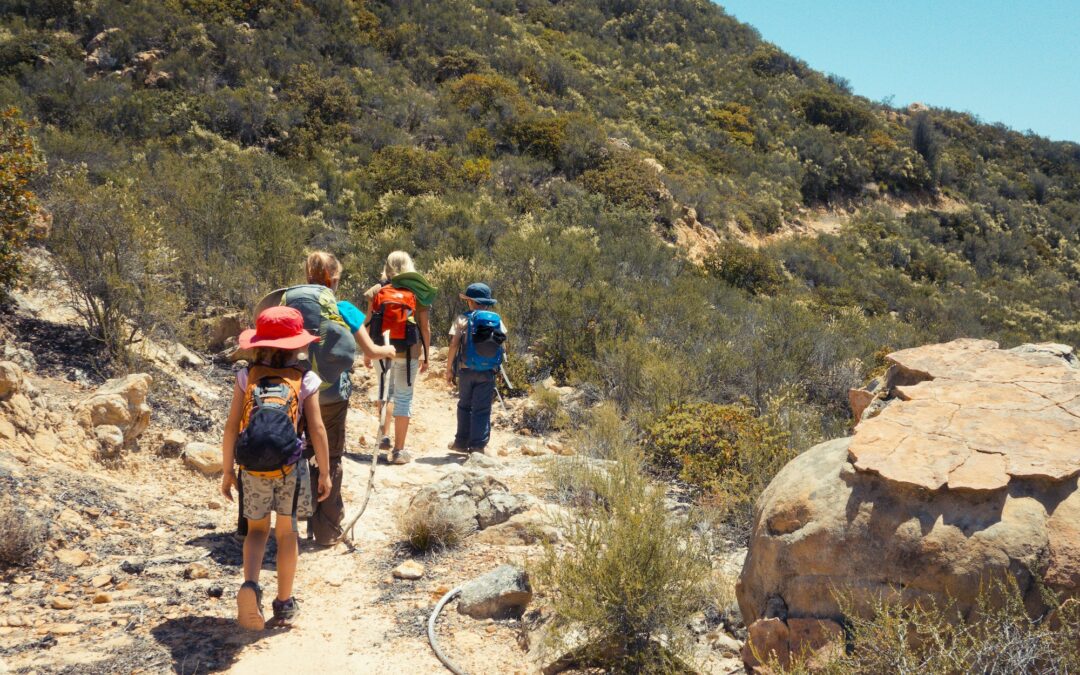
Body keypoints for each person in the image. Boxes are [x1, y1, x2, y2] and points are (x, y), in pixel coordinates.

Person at [220, 306, 331, 630]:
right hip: (289, 469)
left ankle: (250, 585)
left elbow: (230, 427)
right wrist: (324, 472)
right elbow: (318, 429)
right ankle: (283, 605)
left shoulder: (246, 376)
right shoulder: (306, 379)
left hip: (251, 469)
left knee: (255, 531)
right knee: (286, 534)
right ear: (298, 344)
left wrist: (228, 471)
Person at [281, 252, 393, 546]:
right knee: (329, 457)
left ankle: (288, 525)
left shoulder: (290, 308)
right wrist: (389, 351)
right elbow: (370, 351)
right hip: (331, 396)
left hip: (293, 394)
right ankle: (327, 530)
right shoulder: (344, 308)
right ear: (333, 279)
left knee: (294, 454)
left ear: (308, 278)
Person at [363, 251, 436, 464]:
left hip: (381, 349)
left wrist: (368, 351)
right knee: (403, 398)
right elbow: (425, 327)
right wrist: (426, 356)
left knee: (384, 391)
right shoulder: (418, 291)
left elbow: (368, 321)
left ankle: (384, 435)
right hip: (409, 352)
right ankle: (398, 451)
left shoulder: (378, 289)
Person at [445, 283, 507, 454]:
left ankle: (461, 442)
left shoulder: (462, 319)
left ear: (470, 302)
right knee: (482, 407)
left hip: (466, 369)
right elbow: (502, 345)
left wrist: (449, 368)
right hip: (488, 371)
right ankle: (478, 445)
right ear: (486, 302)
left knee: (464, 404)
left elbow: (453, 344)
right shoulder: (496, 319)